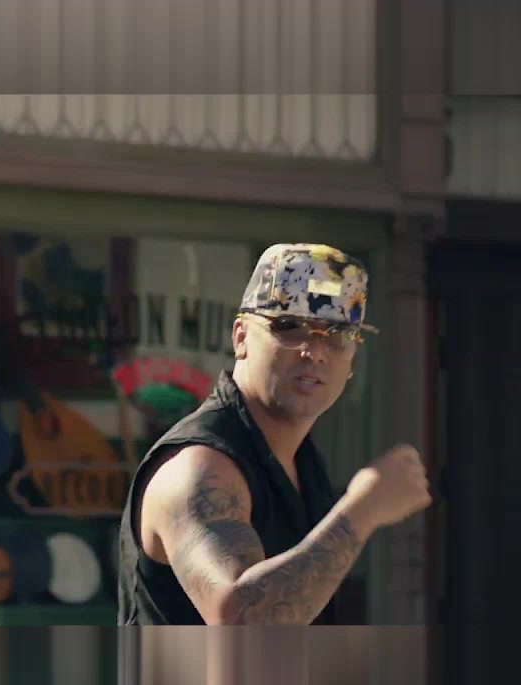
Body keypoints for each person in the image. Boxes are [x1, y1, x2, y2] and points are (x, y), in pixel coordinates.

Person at [118, 244, 431, 625]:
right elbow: (241, 620)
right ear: (240, 337)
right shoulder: (199, 466)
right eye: (289, 326)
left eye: (337, 335)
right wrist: (363, 510)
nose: (314, 352)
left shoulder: (301, 461)